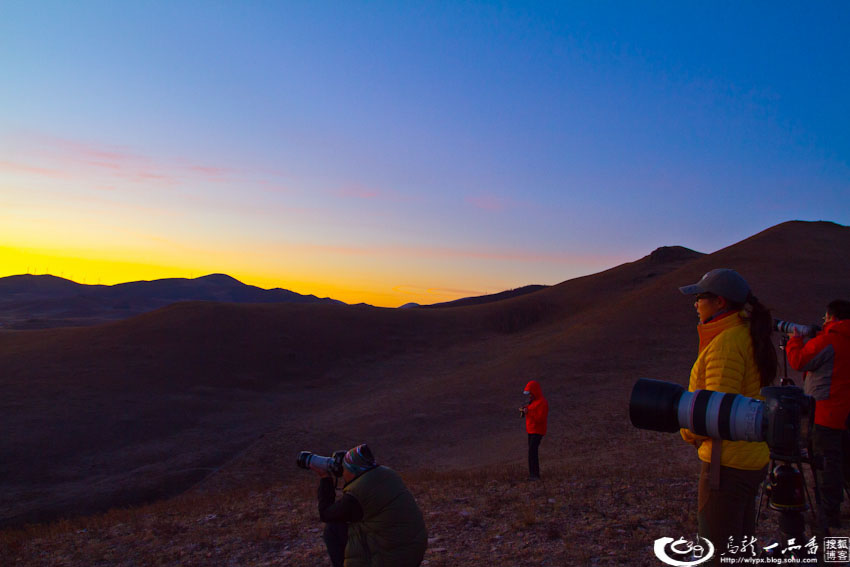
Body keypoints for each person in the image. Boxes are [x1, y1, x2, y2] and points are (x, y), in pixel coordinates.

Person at [678, 269, 776, 554]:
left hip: (727, 464)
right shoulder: (745, 334)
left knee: (717, 551)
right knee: (739, 548)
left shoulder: (727, 343)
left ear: (720, 302)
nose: (695, 304)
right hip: (748, 456)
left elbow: (719, 412)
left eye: (699, 298)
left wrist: (687, 430)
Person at [785, 299, 850, 529]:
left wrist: (794, 341)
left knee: (826, 465)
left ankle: (828, 516)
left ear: (832, 317)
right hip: (845, 413)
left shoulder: (829, 341)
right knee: (845, 462)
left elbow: (799, 360)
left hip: (825, 414)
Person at [311, 444, 427, 567]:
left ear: (353, 470)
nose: (342, 473)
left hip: (392, 560)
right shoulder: (387, 474)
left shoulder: (360, 492)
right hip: (412, 551)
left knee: (333, 529)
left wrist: (325, 478)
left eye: (344, 469)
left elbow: (326, 514)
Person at [520, 380, 549, 480]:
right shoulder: (532, 401)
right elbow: (530, 411)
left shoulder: (542, 403)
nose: (529, 395)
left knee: (532, 451)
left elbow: (540, 419)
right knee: (531, 451)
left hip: (538, 431)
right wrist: (524, 411)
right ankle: (532, 474)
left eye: (530, 393)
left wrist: (529, 412)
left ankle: (535, 475)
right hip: (531, 430)